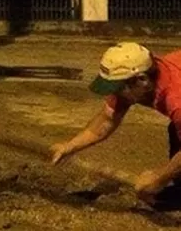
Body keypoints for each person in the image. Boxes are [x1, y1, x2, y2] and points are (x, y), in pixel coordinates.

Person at [50, 42, 181, 208]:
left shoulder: (176, 98)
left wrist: (159, 177)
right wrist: (69, 146)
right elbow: (107, 120)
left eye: (118, 88)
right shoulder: (141, 81)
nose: (116, 94)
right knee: (176, 132)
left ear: (142, 80)